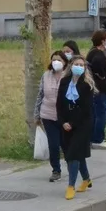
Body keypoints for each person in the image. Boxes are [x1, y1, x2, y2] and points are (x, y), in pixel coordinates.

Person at [57, 57, 95, 200]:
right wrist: (63, 122)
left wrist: (72, 123)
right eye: (76, 64)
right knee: (74, 153)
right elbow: (59, 104)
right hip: (66, 121)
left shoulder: (87, 85)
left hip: (82, 123)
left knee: (73, 153)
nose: (78, 67)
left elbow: (86, 110)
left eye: (81, 65)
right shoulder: (64, 82)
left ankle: (71, 185)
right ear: (71, 66)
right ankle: (86, 179)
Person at [34, 51, 68, 182]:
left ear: (64, 62)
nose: (56, 62)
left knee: (65, 144)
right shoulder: (46, 75)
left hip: (65, 116)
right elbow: (40, 94)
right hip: (48, 115)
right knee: (53, 145)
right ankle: (56, 169)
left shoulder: (69, 76)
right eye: (53, 60)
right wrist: (36, 115)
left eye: (59, 60)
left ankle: (72, 165)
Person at [87, 31, 106, 149]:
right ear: (103, 40)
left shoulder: (95, 52)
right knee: (101, 113)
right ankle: (97, 138)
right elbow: (99, 68)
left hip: (103, 88)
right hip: (101, 88)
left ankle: (93, 135)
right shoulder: (98, 54)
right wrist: (104, 76)